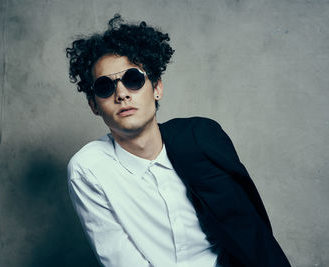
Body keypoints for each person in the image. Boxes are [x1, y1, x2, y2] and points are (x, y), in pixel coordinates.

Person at [66, 14, 290, 267]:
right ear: (94, 106)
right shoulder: (89, 169)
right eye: (105, 87)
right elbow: (121, 259)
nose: (121, 94)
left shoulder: (200, 139)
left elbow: (253, 235)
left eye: (133, 79)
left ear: (157, 87)